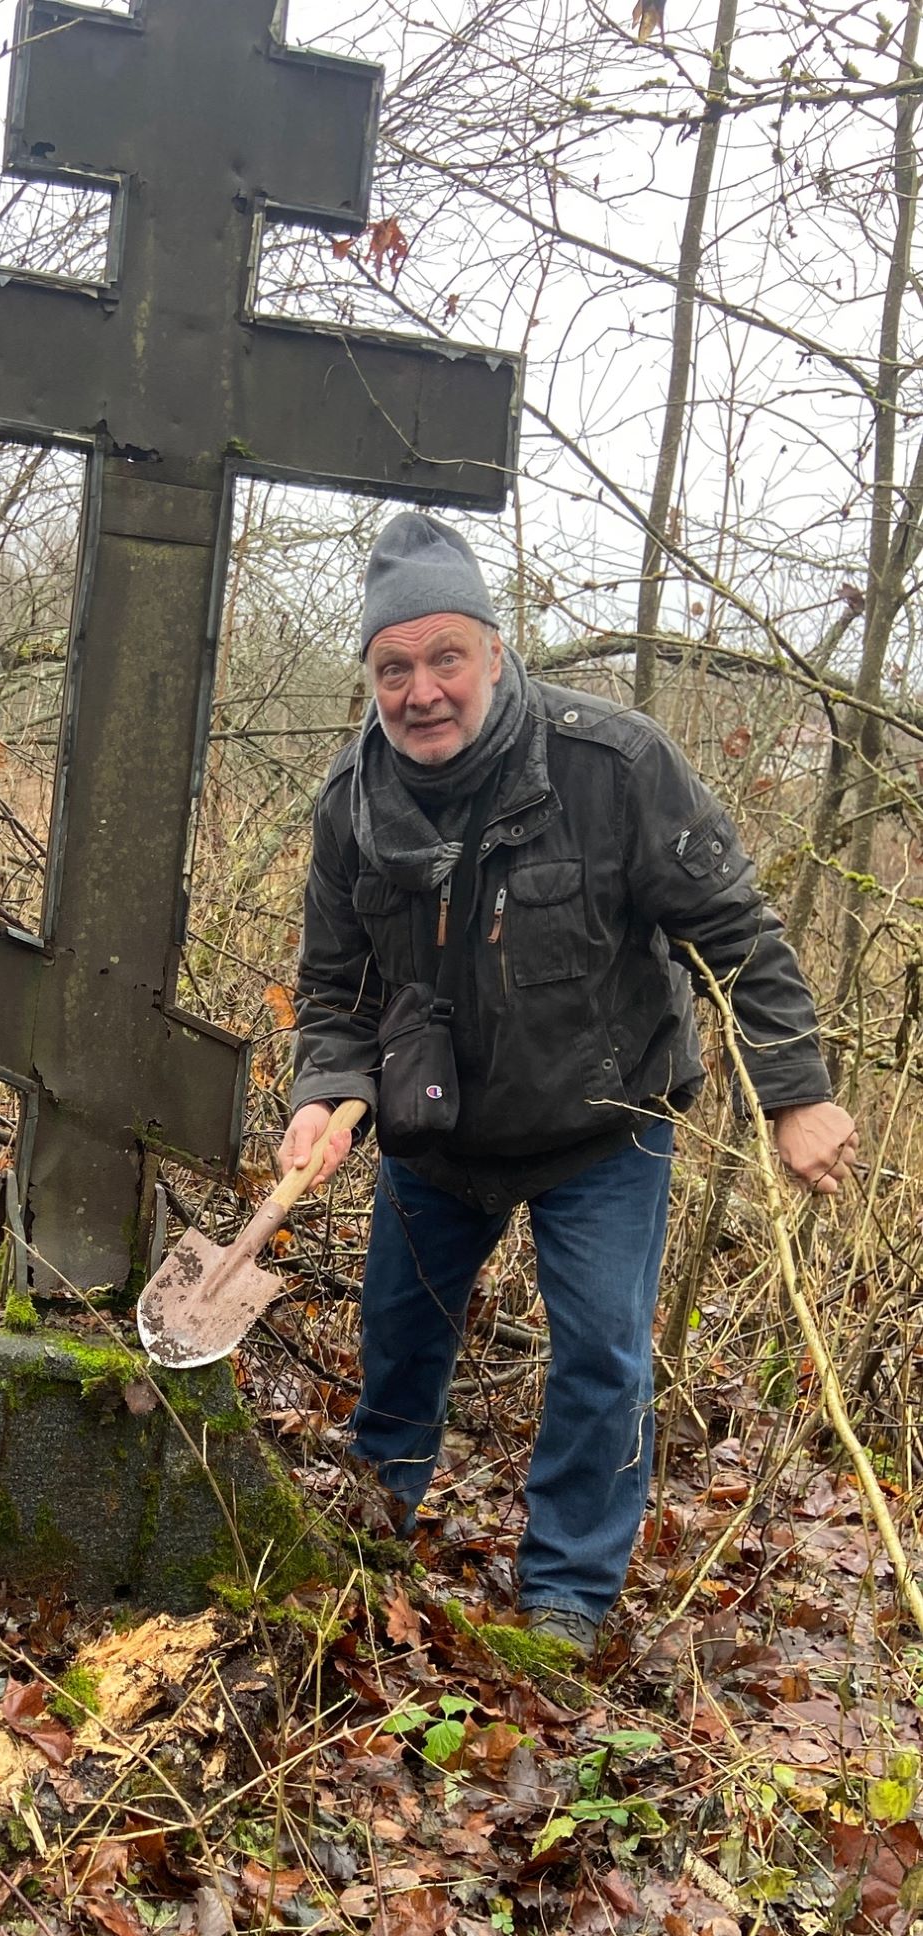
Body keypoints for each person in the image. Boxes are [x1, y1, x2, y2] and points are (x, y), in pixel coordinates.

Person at [285, 511, 856, 1659]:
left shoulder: (612, 765)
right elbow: (335, 989)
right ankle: (367, 1530)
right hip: (434, 1135)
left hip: (604, 1124)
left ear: (495, 652)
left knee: (601, 1353)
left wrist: (793, 1092)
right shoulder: (350, 804)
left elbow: (736, 934)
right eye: (394, 668)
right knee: (395, 1340)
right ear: (371, 677)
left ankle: (565, 1598)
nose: (422, 690)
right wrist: (319, 1091)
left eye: (446, 657)